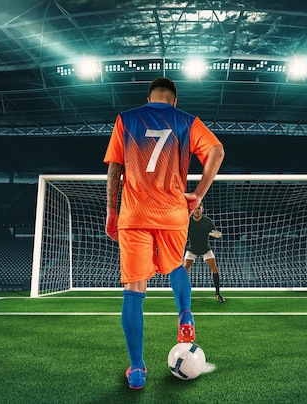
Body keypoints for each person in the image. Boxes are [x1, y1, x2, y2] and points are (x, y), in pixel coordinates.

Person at [104, 77, 224, 390]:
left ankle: (138, 369)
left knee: (134, 288)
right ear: (174, 100)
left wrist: (111, 212)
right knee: (174, 267)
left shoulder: (126, 119)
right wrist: (197, 194)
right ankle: (185, 314)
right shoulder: (186, 121)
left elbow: (115, 170)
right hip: (173, 212)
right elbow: (217, 151)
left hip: (134, 213)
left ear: (149, 98)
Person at [184, 202, 225, 303]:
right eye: (195, 208)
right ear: (192, 210)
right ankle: (184, 294)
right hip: (192, 249)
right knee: (184, 270)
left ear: (202, 210)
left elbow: (217, 234)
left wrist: (217, 235)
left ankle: (218, 294)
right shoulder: (187, 221)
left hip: (206, 249)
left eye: (199, 208)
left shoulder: (207, 221)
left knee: (214, 267)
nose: (197, 211)